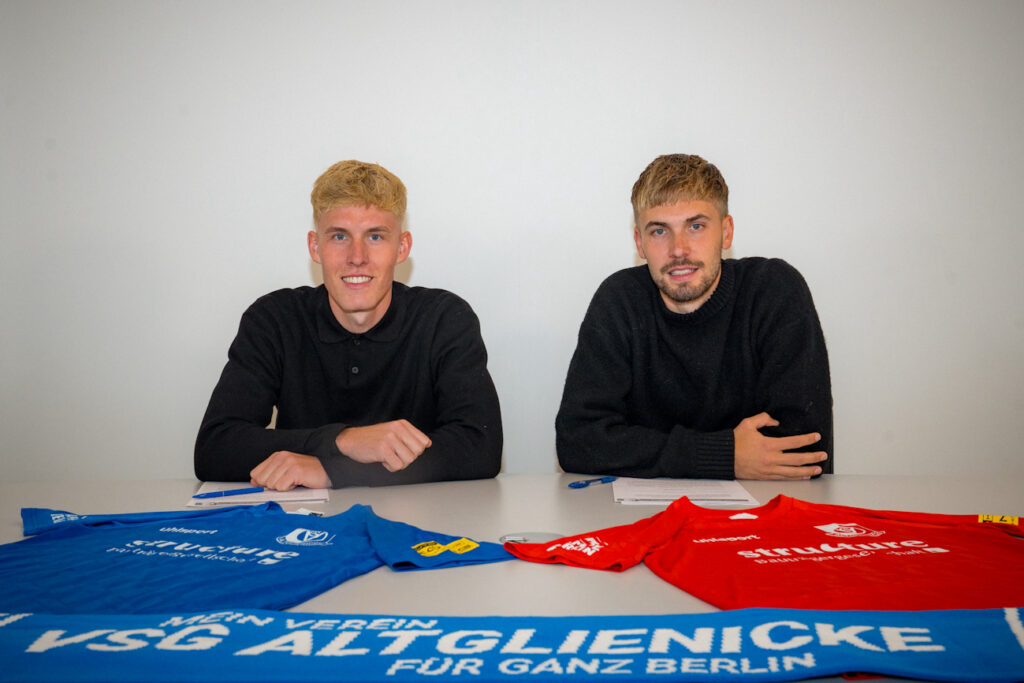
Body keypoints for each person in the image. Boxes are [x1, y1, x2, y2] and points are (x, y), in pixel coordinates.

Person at [195, 160, 502, 490]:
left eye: (375, 236)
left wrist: (331, 471)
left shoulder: (444, 318)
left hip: (417, 524)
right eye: (339, 236)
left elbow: (479, 448)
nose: (357, 257)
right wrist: (344, 441)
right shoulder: (273, 319)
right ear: (315, 247)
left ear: (402, 247)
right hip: (298, 527)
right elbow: (216, 447)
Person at [556, 154, 832, 480]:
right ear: (639, 243)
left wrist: (650, 452)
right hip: (645, 517)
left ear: (726, 233)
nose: (679, 249)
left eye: (696, 226)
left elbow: (803, 449)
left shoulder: (773, 291)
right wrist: (723, 455)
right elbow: (578, 441)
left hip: (762, 512)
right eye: (659, 231)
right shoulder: (619, 301)